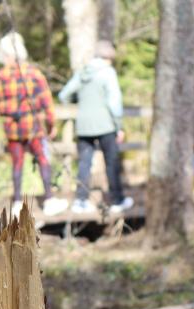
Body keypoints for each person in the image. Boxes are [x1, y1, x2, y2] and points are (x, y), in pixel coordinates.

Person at [0, 32, 68, 218]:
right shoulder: (34, 74)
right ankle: (49, 200)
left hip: (12, 129)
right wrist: (52, 125)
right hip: (34, 128)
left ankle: (18, 202)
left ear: (5, 55)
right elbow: (47, 103)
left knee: (17, 164)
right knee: (43, 160)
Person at [58, 40, 133, 215]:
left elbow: (64, 95)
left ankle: (81, 201)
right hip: (106, 125)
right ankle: (117, 200)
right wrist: (119, 126)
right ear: (109, 57)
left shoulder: (83, 72)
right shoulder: (108, 73)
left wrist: (80, 101)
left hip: (84, 126)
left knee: (84, 163)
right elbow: (114, 103)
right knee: (111, 162)